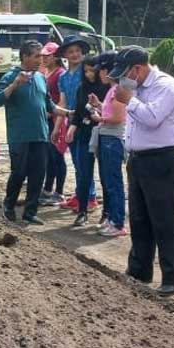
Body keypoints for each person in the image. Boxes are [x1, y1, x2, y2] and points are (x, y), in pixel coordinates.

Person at [115, 45, 174, 297]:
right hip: (138, 160)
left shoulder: (165, 87)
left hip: (162, 160)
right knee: (139, 218)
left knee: (165, 220)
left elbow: (152, 118)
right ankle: (139, 270)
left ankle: (172, 278)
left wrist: (130, 101)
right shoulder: (138, 88)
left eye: (125, 73)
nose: (122, 79)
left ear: (137, 69)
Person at [0, 40, 71, 225]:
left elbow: (49, 105)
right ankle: (8, 206)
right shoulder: (10, 76)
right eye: (36, 56)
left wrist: (69, 113)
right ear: (24, 57)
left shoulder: (41, 77)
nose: (40, 60)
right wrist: (15, 84)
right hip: (19, 136)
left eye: (41, 56)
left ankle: (30, 212)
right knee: (18, 173)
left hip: (41, 135)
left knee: (38, 175)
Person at [69, 54, 108, 227]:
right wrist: (72, 127)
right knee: (84, 173)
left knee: (105, 175)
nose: (89, 74)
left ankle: (106, 213)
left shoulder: (107, 88)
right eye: (86, 71)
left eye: (92, 70)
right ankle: (82, 211)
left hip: (103, 134)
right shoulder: (82, 88)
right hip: (84, 134)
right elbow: (78, 112)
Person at [91, 65, 130, 238]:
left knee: (114, 183)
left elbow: (118, 118)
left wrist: (99, 118)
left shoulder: (118, 90)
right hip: (108, 138)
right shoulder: (113, 90)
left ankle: (117, 222)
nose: (99, 74)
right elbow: (112, 112)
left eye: (101, 70)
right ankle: (113, 219)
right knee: (109, 182)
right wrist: (99, 106)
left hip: (112, 139)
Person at [55, 37, 92, 214]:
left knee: (84, 161)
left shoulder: (87, 72)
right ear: (64, 55)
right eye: (70, 51)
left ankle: (89, 197)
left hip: (85, 120)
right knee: (76, 161)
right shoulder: (62, 77)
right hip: (70, 120)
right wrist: (57, 127)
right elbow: (62, 102)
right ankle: (80, 194)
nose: (75, 54)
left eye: (77, 50)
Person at [40, 42, 68, 205]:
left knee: (57, 155)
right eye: (43, 55)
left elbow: (62, 100)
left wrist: (52, 113)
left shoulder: (60, 74)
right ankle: (48, 188)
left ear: (56, 57)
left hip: (57, 119)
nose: (44, 58)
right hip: (47, 119)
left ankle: (59, 191)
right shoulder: (46, 72)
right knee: (49, 156)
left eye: (47, 55)